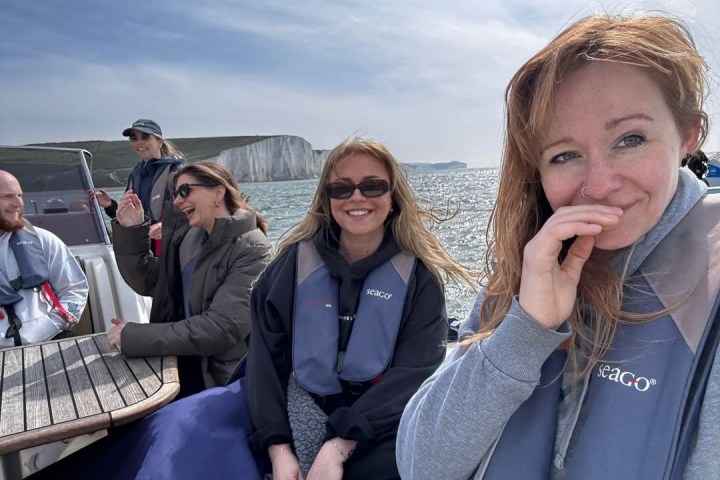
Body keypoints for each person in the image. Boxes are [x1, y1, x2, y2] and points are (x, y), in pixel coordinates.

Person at [396, 13, 719, 480]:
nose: (600, 185)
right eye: (565, 155)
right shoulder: (528, 267)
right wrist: (525, 329)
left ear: (687, 135)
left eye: (630, 139)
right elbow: (420, 465)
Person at [245, 138, 477, 480]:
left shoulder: (420, 280)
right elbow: (265, 360)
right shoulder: (289, 268)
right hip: (298, 409)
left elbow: (414, 372)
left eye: (373, 186)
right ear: (327, 198)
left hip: (381, 424)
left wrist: (338, 445)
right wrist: (278, 448)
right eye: (341, 188)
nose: (357, 197)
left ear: (393, 197)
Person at [109, 161, 273, 396]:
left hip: (224, 380)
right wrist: (132, 230)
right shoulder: (189, 238)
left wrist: (135, 336)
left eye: (185, 191)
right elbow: (151, 282)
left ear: (218, 192)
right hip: (181, 363)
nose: (176, 200)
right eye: (175, 193)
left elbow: (221, 328)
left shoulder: (253, 248)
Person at [0, 170, 88, 347]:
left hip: (49, 339)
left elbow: (75, 289)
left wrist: (52, 325)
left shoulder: (43, 240)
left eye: (20, 195)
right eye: (8, 196)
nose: (18, 203)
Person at [89, 119, 184, 253]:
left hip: (170, 250)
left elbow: (192, 210)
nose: (139, 142)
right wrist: (109, 205)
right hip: (142, 249)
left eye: (145, 137)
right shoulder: (136, 174)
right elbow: (129, 216)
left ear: (160, 142)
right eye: (134, 138)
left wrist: (168, 226)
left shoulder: (177, 172)